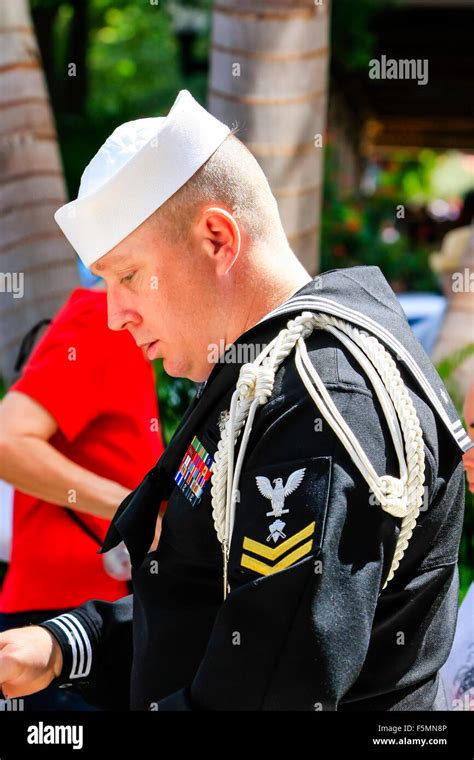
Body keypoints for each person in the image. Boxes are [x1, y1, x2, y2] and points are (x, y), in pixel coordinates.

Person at [0, 90, 472, 711]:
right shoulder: (264, 379)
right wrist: (68, 643)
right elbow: (214, 599)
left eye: (129, 275)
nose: (114, 315)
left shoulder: (322, 401)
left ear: (218, 238)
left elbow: (262, 691)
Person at [0, 284, 164, 709]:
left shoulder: (134, 334)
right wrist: (136, 511)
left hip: (97, 627)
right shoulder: (102, 317)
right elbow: (6, 442)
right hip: (57, 626)